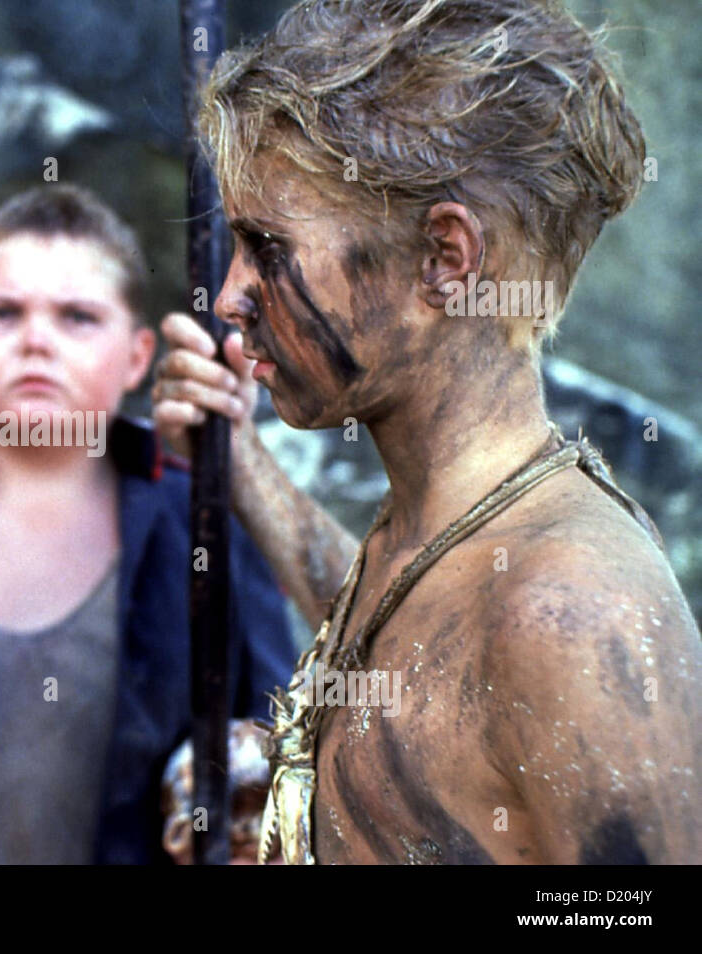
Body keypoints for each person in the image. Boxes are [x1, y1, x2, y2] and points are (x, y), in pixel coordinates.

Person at [153, 0, 702, 864]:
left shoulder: (575, 612)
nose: (227, 296)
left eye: (266, 246)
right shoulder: (440, 530)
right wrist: (239, 458)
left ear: (446, 259)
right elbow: (410, 641)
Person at [0, 184, 296, 864]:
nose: (37, 341)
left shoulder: (210, 523)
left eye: (77, 317)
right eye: (3, 313)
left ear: (137, 356)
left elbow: (282, 741)